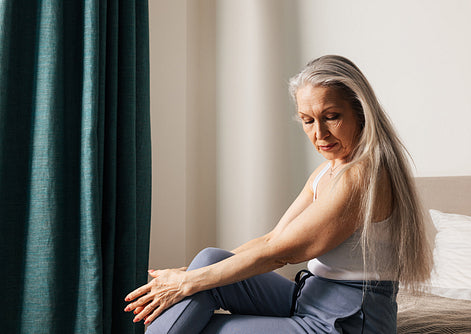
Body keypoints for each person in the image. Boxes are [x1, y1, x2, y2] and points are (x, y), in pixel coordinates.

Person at [124, 55, 433, 333]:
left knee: (198, 319)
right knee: (209, 259)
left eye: (332, 116)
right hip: (310, 296)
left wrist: (186, 282)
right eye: (308, 120)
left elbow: (281, 253)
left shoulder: (363, 177)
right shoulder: (328, 170)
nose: (319, 134)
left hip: (346, 321)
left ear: (360, 114)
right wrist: (192, 271)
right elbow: (271, 238)